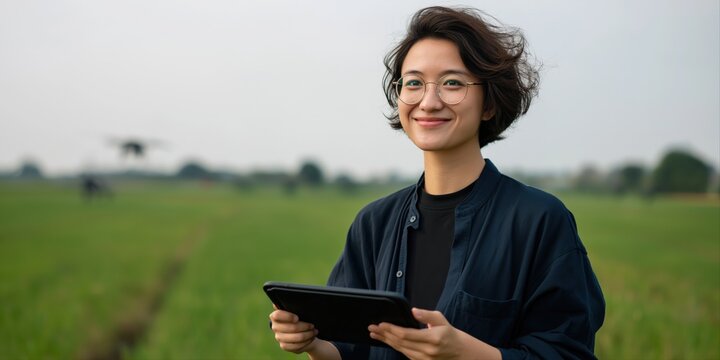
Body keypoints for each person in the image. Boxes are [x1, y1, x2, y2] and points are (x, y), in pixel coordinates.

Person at [269, 6, 605, 359]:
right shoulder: (373, 223)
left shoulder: (539, 220)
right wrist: (314, 344)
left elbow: (568, 352)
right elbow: (353, 350)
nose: (429, 102)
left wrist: (468, 354)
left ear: (489, 103)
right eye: (413, 83)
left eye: (452, 83)